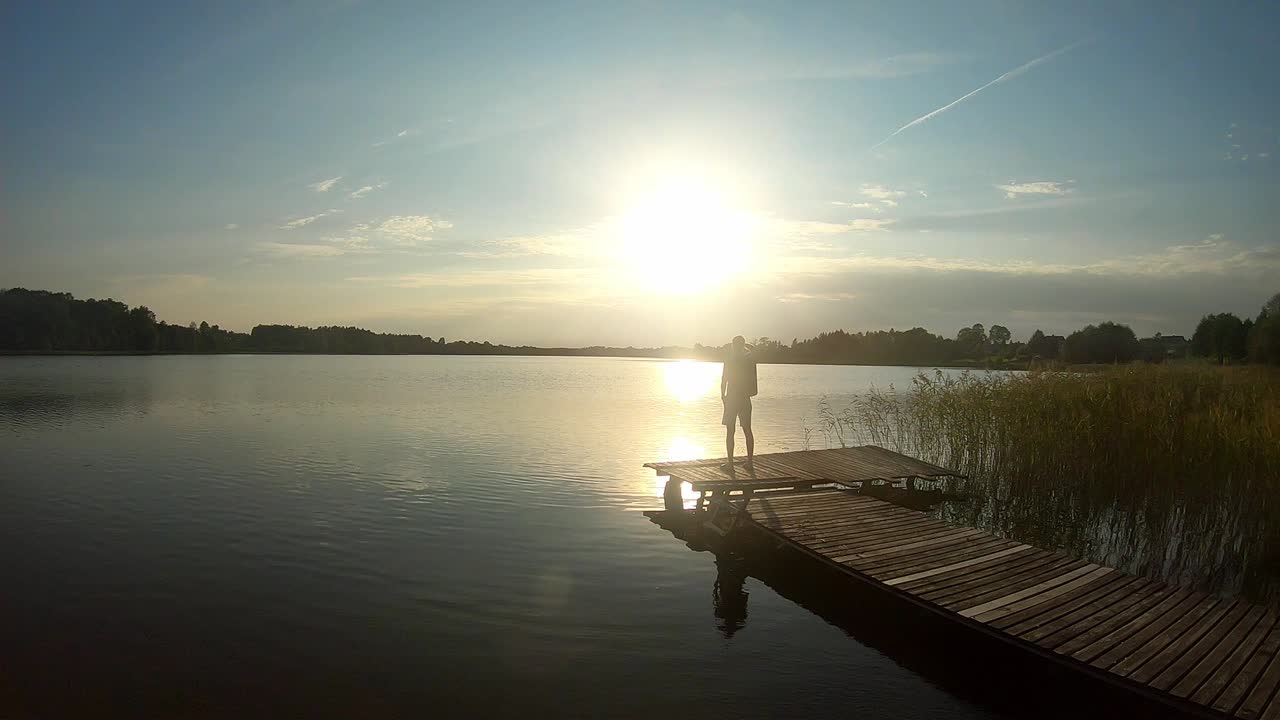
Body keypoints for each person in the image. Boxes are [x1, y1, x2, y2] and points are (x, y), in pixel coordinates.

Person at [720, 335, 757, 475]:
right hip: (745, 398)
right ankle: (750, 462)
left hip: (732, 398)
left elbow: (724, 378)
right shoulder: (748, 359)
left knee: (730, 431)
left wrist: (722, 395)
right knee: (747, 429)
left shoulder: (730, 358)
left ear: (733, 345)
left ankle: (730, 463)